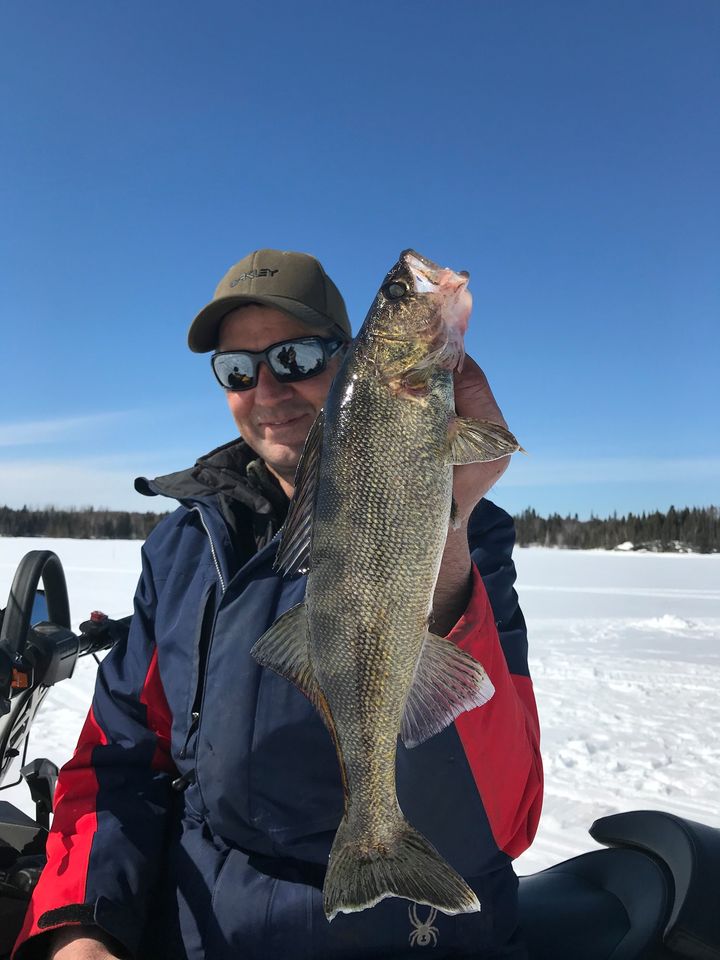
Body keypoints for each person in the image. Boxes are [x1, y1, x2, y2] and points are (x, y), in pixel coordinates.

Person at [13, 249, 543, 960]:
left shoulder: (472, 539)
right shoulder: (180, 551)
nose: (267, 389)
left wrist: (449, 523)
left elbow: (504, 819)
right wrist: (80, 930)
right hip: (201, 929)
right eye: (238, 369)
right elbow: (118, 768)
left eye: (295, 356)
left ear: (352, 361)